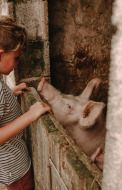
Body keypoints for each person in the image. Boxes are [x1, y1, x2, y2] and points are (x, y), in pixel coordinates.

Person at [0, 15, 51, 190]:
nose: (17, 63)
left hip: (11, 168)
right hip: (16, 172)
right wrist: (30, 115)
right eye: (16, 58)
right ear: (0, 54)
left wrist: (10, 93)